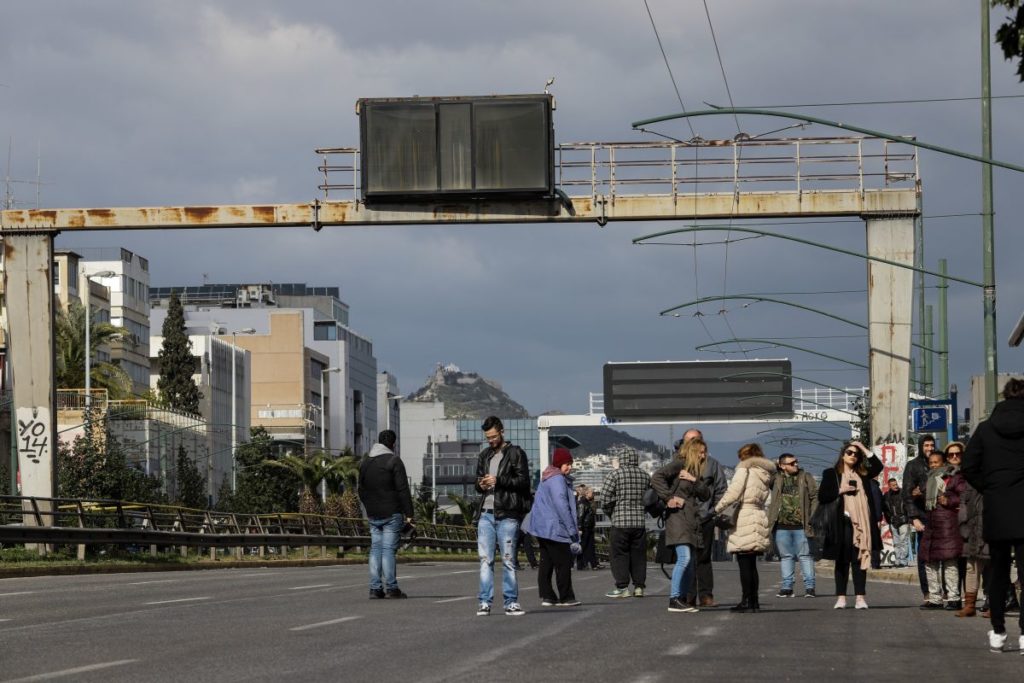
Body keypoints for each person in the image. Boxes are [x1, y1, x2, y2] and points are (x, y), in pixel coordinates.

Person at [961, 377, 1024, 653]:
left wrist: (990, 486)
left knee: (997, 572)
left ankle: (998, 631)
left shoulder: (986, 429)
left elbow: (968, 466)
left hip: (997, 508)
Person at [474, 416, 531, 617]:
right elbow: (478, 482)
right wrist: (480, 484)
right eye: (488, 437)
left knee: (508, 559)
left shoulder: (516, 453)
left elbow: (524, 482)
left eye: (493, 436)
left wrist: (499, 480)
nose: (491, 440)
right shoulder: (484, 456)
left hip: (507, 513)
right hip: (486, 514)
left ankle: (511, 602)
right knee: (485, 560)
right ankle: (484, 602)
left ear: (502, 431)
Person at [818, 440, 883, 610]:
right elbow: (823, 496)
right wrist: (841, 489)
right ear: (842, 454)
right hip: (841, 522)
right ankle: (841, 598)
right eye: (849, 452)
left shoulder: (863, 474)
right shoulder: (831, 474)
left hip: (863, 522)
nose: (853, 456)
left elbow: (878, 466)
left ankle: (860, 598)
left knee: (859, 560)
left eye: (856, 454)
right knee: (841, 561)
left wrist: (862, 447)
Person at [714, 442, 776, 613]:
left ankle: (746, 600)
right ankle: (754, 602)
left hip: (745, 516)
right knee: (752, 563)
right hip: (759, 514)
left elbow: (733, 493)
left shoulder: (744, 469)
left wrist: (716, 509)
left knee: (744, 562)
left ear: (744, 456)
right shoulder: (765, 473)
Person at [652, 437, 711, 612]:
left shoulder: (694, 471)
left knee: (691, 561)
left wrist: (694, 479)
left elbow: (706, 495)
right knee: (684, 558)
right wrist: (669, 498)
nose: (703, 456)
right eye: (700, 452)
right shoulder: (679, 464)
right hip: (677, 519)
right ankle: (674, 598)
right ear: (692, 451)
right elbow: (656, 477)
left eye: (704, 452)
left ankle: (683, 598)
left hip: (691, 520)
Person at [358, 429, 415, 599]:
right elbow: (403, 489)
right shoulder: (394, 460)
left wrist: (368, 507)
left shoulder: (365, 462)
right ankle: (391, 588)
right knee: (388, 550)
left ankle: (375, 588)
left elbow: (360, 489)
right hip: (392, 513)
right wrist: (410, 514)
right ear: (393, 444)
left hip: (373, 514)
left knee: (375, 549)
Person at [523, 448, 582, 607]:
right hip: (554, 528)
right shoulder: (557, 479)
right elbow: (562, 505)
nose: (569, 467)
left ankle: (548, 596)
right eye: (566, 464)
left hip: (542, 527)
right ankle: (566, 597)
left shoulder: (547, 477)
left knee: (547, 562)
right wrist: (572, 530)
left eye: (570, 463)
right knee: (563, 563)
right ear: (558, 463)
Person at [680, 428, 729, 608]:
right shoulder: (678, 463)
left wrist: (714, 512)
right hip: (684, 518)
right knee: (686, 558)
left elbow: (721, 489)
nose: (691, 443)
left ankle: (706, 595)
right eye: (688, 440)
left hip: (705, 517)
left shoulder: (712, 464)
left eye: (695, 440)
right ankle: (688, 595)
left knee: (704, 558)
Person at [918, 448, 965, 611]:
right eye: (930, 463)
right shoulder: (928, 480)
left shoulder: (953, 477)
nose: (933, 465)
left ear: (943, 463)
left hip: (947, 526)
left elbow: (964, 496)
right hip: (931, 526)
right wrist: (917, 494)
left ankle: (953, 598)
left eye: (936, 462)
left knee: (949, 562)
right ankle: (935, 598)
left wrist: (949, 500)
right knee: (929, 562)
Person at [766, 452, 818, 598]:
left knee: (805, 556)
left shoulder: (805, 477)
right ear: (782, 466)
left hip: (802, 525)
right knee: (786, 556)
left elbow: (815, 496)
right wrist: (774, 465)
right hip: (781, 526)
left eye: (796, 462)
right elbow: (766, 475)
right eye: (791, 463)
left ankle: (810, 587)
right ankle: (787, 587)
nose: (796, 464)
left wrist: (812, 516)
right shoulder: (776, 479)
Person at [601, 447, 651, 598]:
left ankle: (622, 587)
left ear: (621, 460)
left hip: (620, 522)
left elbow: (604, 499)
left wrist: (612, 513)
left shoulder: (615, 475)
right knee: (638, 556)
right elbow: (650, 498)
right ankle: (639, 587)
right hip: (639, 523)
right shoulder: (645, 476)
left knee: (619, 555)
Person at [955, 439, 988, 618]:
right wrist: (963, 527)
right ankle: (970, 604)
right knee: (971, 568)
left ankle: (993, 603)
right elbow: (963, 505)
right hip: (971, 530)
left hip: (990, 529)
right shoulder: (969, 481)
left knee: (992, 568)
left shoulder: (993, 478)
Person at [904, 434, 937, 604]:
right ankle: (928, 592)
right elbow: (908, 494)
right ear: (920, 446)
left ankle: (943, 591)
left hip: (940, 516)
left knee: (943, 555)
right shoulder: (912, 466)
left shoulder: (940, 463)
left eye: (932, 445)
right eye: (926, 445)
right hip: (922, 517)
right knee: (924, 556)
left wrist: (921, 490)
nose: (930, 448)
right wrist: (914, 518)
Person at [882, 478, 910, 568]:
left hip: (903, 520)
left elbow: (908, 506)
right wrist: (889, 519)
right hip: (893, 521)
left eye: (896, 484)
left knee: (904, 541)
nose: (896, 486)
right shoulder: (886, 495)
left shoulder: (903, 493)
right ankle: (898, 560)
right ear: (889, 486)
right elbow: (884, 509)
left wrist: (907, 518)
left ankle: (903, 561)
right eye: (893, 485)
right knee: (896, 542)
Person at [575, 485, 599, 570]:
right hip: (585, 528)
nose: (593, 494)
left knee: (590, 546)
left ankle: (593, 564)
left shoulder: (588, 502)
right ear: (587, 493)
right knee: (583, 546)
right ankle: (580, 564)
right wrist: (580, 528)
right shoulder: (582, 503)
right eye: (592, 492)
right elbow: (580, 516)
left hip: (589, 527)